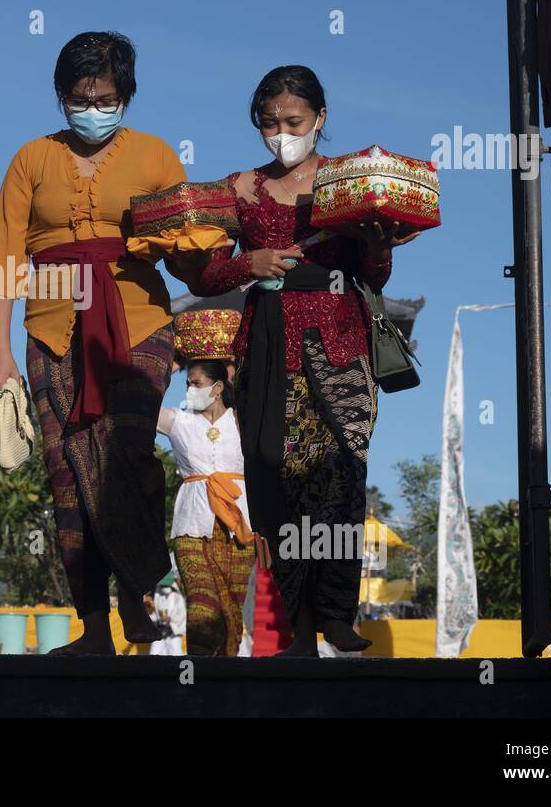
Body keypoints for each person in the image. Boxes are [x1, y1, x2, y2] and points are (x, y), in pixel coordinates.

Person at [186, 65, 418, 657]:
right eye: (269, 123)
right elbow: (204, 272)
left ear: (320, 119)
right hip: (267, 345)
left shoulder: (350, 181)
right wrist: (250, 263)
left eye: (293, 121)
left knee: (340, 476)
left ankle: (336, 614)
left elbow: (375, 276)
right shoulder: (239, 188)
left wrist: (377, 245)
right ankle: (290, 624)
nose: (281, 133)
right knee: (274, 480)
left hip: (339, 342)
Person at [0, 31, 190, 655]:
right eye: (79, 97)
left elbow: (185, 254)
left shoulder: (155, 156)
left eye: (105, 96)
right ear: (60, 96)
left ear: (126, 95)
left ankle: (139, 598)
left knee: (127, 456)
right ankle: (94, 628)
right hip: (49, 329)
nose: (92, 108)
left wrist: (209, 247)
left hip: (141, 325)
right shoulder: (30, 159)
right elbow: (4, 262)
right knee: (67, 473)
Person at [157, 313, 272, 656]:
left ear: (218, 387)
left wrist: (238, 362)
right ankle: (197, 674)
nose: (189, 389)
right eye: (188, 383)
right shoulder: (177, 421)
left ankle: (224, 682)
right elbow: (137, 400)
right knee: (204, 606)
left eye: (196, 383)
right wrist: (171, 367)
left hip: (239, 526)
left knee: (232, 609)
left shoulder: (245, 420)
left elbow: (265, 388)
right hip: (191, 525)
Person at [148, 572, 186, 656]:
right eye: (162, 586)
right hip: (160, 630)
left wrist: (171, 619)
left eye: (165, 586)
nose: (163, 588)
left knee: (175, 655)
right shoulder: (158, 597)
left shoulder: (178, 598)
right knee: (154, 654)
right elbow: (154, 614)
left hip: (173, 632)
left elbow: (182, 615)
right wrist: (152, 619)